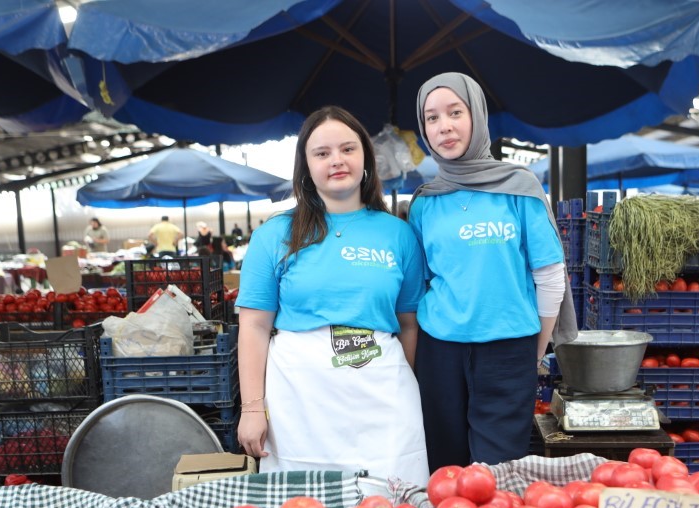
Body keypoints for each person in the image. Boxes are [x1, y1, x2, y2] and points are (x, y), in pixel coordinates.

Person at [235, 106, 429, 486]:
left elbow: (409, 324)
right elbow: (254, 327)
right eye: (322, 153)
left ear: (365, 158)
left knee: (393, 506)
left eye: (347, 149)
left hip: (384, 401)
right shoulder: (274, 235)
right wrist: (252, 408)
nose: (336, 160)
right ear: (305, 167)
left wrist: (398, 380)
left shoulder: (399, 234)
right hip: (300, 402)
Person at [409, 72, 577, 472]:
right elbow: (420, 286)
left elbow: (550, 276)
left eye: (455, 112)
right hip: (439, 353)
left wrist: (535, 349)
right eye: (432, 118)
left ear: (477, 115)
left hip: (509, 349)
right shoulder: (424, 202)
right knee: (444, 469)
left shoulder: (518, 187)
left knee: (499, 471)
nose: (444, 126)